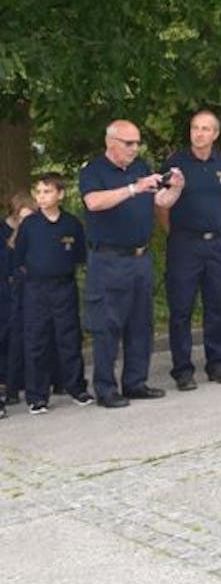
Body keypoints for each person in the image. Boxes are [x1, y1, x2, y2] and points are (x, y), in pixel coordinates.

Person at [80, 119, 185, 406]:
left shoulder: (140, 167)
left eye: (137, 142)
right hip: (109, 258)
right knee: (108, 324)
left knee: (141, 323)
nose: (134, 148)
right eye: (129, 143)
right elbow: (93, 203)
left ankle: (135, 382)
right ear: (111, 143)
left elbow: (160, 202)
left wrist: (175, 188)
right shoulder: (94, 170)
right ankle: (105, 388)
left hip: (140, 257)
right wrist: (133, 189)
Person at [159, 110, 221, 388]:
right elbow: (163, 204)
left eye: (206, 129)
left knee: (217, 305)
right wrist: (178, 233)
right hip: (185, 244)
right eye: (195, 128)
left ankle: (217, 363)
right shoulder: (175, 163)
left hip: (216, 243)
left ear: (215, 134)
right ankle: (182, 370)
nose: (199, 133)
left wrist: (213, 224)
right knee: (181, 308)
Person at [14, 174, 88, 413]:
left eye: (47, 191)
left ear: (60, 194)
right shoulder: (30, 224)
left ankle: (77, 388)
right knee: (37, 340)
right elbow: (20, 256)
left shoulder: (71, 224)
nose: (42, 197)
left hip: (64, 288)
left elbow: (79, 255)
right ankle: (37, 396)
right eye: (39, 192)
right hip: (36, 289)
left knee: (69, 338)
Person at [0, 191, 36, 411]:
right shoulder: (4, 231)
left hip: (27, 287)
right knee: (7, 332)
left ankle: (21, 379)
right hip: (5, 288)